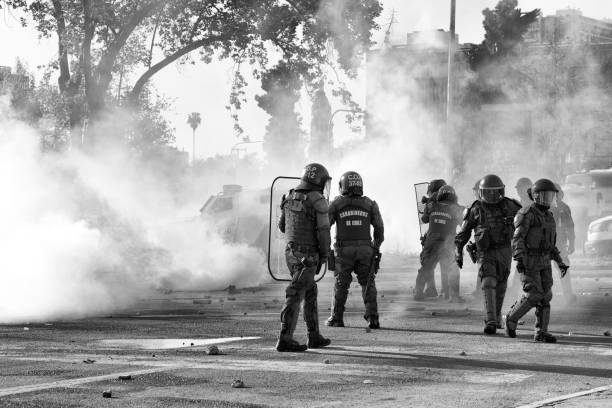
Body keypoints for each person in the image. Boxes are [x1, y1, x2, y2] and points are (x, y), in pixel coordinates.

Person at [276, 163, 332, 352]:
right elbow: (324, 232)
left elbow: (282, 227)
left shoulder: (289, 196)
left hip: (291, 254)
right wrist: (324, 255)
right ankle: (285, 339)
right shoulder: (317, 200)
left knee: (310, 291)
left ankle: (314, 336)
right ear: (318, 181)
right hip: (308, 255)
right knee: (296, 293)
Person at [455, 174, 522, 334]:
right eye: (488, 192)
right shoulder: (475, 209)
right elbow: (463, 233)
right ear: (481, 192)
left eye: (495, 192)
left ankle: (497, 318)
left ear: (501, 191)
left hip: (505, 251)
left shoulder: (511, 206)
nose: (492, 195)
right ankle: (490, 321)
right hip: (485, 252)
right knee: (488, 282)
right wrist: (458, 251)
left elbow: (525, 224)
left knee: (501, 285)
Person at [505, 179, 569, 342]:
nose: (548, 199)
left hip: (544, 261)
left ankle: (541, 332)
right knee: (533, 295)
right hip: (529, 260)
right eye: (545, 196)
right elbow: (517, 238)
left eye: (550, 196)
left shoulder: (549, 216)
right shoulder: (527, 213)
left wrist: (560, 262)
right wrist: (519, 258)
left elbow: (550, 245)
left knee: (546, 296)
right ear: (535, 196)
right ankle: (511, 319)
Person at [326, 171, 384, 329]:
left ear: (342, 186)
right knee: (368, 283)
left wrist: (324, 247)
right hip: (366, 249)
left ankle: (336, 318)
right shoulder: (370, 204)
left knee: (341, 284)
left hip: (343, 251)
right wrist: (375, 247)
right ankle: (373, 318)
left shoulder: (336, 204)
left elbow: (325, 226)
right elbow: (379, 229)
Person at [415, 185, 464, 301]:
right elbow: (464, 224)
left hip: (431, 242)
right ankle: (454, 295)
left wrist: (428, 202)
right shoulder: (456, 209)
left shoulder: (432, 206)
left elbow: (424, 219)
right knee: (452, 268)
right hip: (448, 243)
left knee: (426, 267)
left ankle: (418, 292)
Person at [418, 179, 447, 298]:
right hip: (448, 236)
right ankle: (446, 291)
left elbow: (424, 219)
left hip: (433, 237)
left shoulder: (431, 202)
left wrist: (425, 206)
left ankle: (430, 288)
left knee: (427, 262)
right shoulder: (450, 202)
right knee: (446, 264)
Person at [551, 183, 577, 303]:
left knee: (564, 269)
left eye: (557, 194)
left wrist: (571, 243)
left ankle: (567, 296)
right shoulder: (542, 208)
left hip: (559, 244)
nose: (556, 197)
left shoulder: (564, 208)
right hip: (545, 245)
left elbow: (570, 227)